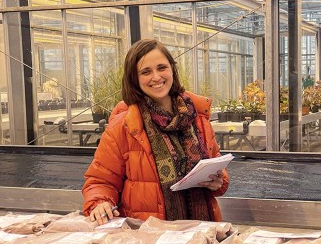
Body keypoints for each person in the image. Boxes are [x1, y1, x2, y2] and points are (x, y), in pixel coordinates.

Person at [82, 39, 229, 223]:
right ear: (134, 78)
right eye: (146, 72)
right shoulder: (123, 127)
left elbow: (218, 169)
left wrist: (218, 180)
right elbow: (100, 180)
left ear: (172, 70)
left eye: (161, 67)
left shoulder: (197, 118)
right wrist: (100, 202)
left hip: (202, 231)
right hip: (150, 236)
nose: (156, 77)